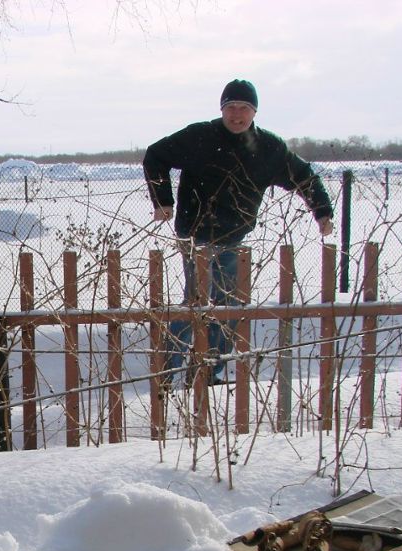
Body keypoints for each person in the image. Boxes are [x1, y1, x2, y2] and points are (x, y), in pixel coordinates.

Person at [143, 79, 334, 386]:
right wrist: (163, 201)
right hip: (196, 234)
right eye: (230, 107)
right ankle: (169, 369)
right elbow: (156, 155)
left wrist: (322, 211)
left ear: (254, 112)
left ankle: (209, 370)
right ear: (221, 109)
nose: (236, 115)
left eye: (244, 108)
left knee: (227, 306)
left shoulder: (268, 148)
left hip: (234, 236)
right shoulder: (200, 136)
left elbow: (304, 176)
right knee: (198, 302)